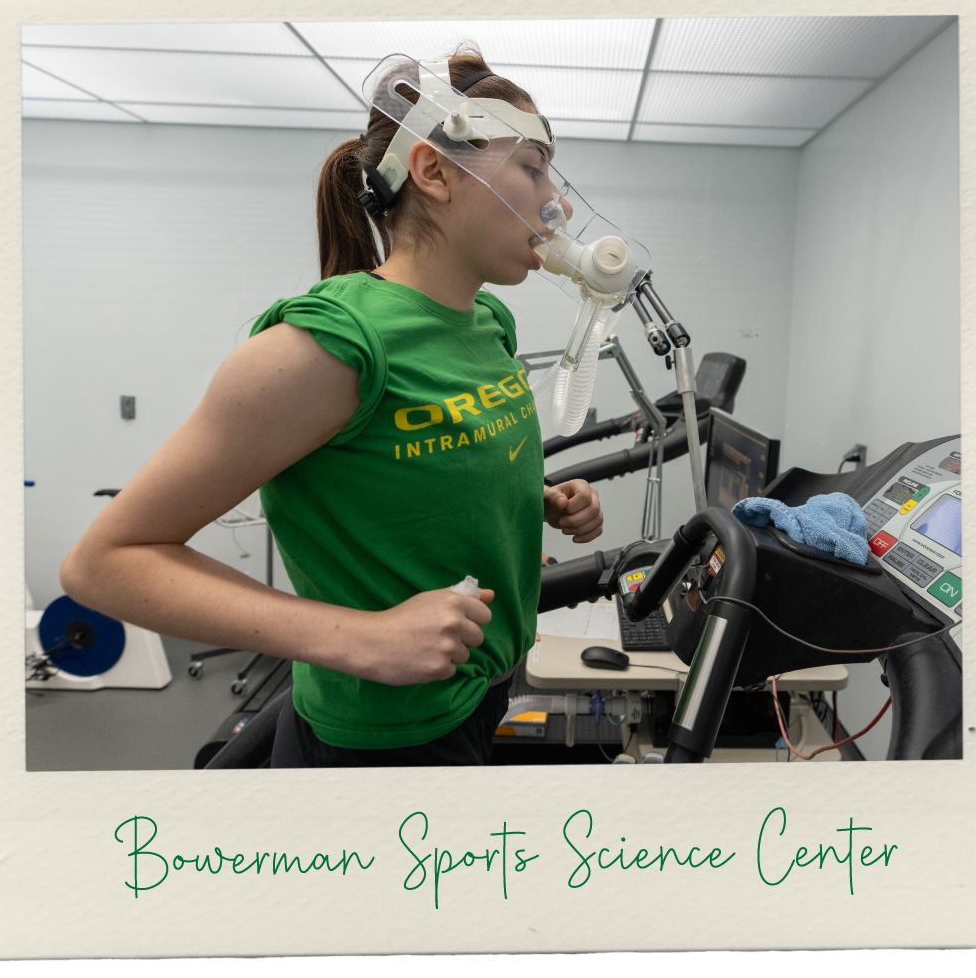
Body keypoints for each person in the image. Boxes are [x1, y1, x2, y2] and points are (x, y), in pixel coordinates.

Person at [59, 47, 604, 768]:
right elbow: (104, 563)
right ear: (434, 172)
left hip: (484, 694)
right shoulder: (330, 347)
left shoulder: (487, 323)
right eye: (532, 167)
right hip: (385, 741)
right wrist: (361, 639)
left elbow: (415, 467)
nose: (557, 202)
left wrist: (530, 497)